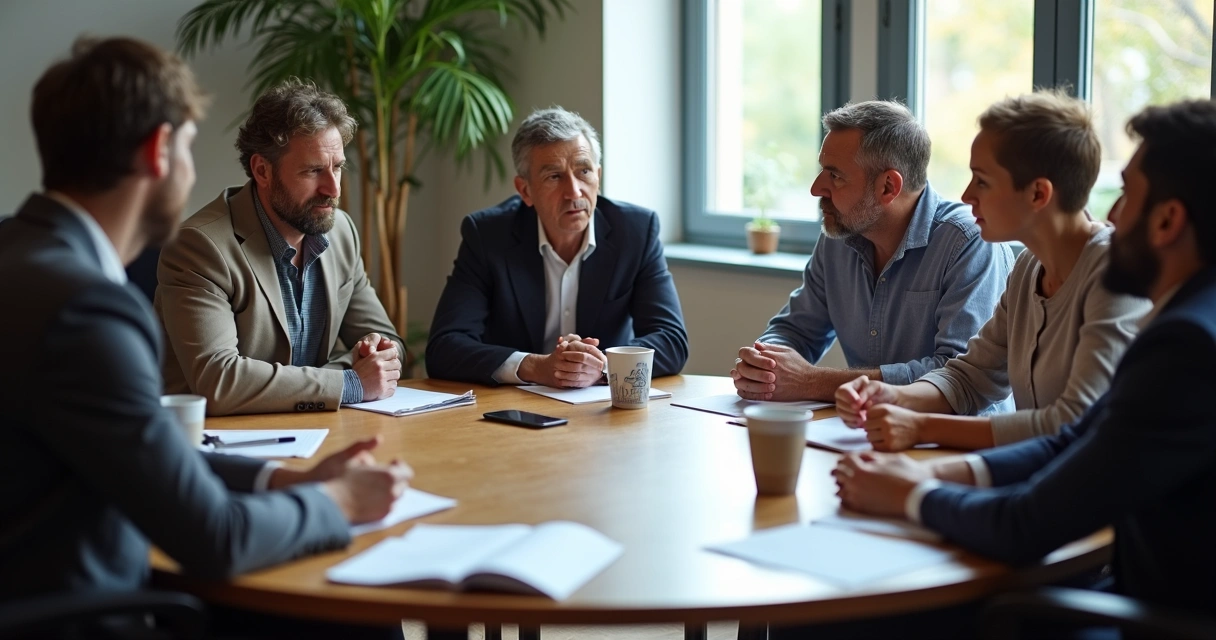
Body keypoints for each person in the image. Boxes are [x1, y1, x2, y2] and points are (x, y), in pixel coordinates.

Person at [0, 36, 413, 639]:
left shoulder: (23, 256)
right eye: (191, 147)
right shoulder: (87, 310)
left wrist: (282, 479)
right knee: (349, 607)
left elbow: (141, 451)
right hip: (85, 614)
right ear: (159, 151)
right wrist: (341, 503)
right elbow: (216, 538)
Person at [830, 99, 1216, 638]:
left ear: (1169, 219)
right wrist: (937, 468)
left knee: (861, 613)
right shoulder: (1187, 316)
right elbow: (1081, 434)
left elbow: (1024, 523)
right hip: (1140, 586)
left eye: (1127, 194)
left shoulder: (1186, 346)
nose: (1112, 214)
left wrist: (912, 493)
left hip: (1153, 614)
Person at [835, 91, 1151, 451]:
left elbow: (1071, 422)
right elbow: (972, 376)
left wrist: (921, 428)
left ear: (1037, 194)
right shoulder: (1029, 267)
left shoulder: (1114, 276)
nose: (967, 195)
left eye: (982, 181)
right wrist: (892, 396)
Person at [731, 101, 1014, 404]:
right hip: (865, 432)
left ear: (888, 187)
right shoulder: (839, 235)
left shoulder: (969, 242)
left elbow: (957, 375)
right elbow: (796, 330)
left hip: (955, 440)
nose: (816, 188)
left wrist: (812, 382)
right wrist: (766, 364)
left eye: (835, 175)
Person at [156, 79, 404, 416]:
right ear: (262, 170)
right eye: (314, 170)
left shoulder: (341, 231)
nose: (332, 188)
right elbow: (219, 383)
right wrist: (349, 382)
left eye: (338, 167)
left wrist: (376, 358)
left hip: (316, 434)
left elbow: (389, 343)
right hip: (221, 448)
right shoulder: (201, 246)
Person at [427, 107, 689, 387]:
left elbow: (671, 340)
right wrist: (534, 366)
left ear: (598, 176)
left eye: (584, 171)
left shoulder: (636, 231)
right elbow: (444, 348)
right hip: (515, 409)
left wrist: (598, 365)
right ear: (525, 190)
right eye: (554, 176)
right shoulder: (488, 235)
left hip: (602, 409)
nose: (574, 192)